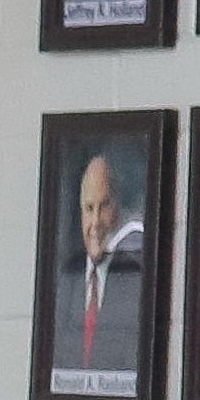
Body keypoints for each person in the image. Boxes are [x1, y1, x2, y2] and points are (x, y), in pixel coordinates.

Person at [56, 145, 144, 386]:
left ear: (118, 207)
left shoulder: (136, 281)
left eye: (104, 206)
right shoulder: (63, 284)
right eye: (89, 208)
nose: (95, 221)